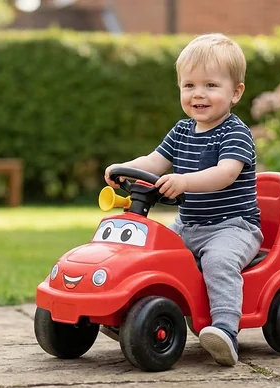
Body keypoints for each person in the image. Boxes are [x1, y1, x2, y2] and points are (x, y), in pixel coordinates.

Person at [104, 33, 263, 366]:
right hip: (189, 225)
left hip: (233, 227)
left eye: (210, 85)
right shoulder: (181, 131)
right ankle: (139, 316)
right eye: (189, 86)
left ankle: (225, 330)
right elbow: (153, 162)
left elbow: (225, 174)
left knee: (219, 262)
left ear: (235, 93)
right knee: (149, 254)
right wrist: (124, 168)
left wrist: (184, 181)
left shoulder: (235, 132)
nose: (198, 94)